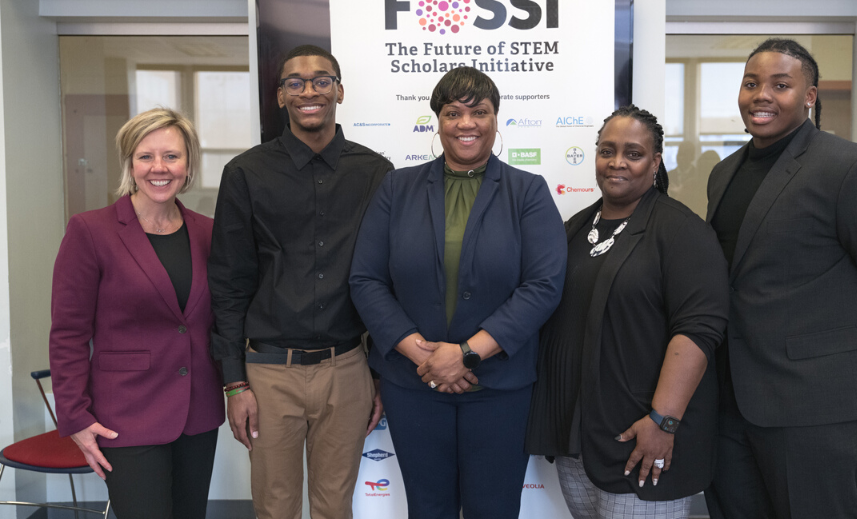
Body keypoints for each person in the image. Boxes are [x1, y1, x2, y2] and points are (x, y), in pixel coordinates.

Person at [703, 38, 857, 519]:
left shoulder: (850, 166)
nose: (761, 94)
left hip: (815, 399)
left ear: (809, 96)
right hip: (731, 397)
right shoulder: (723, 173)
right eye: (751, 83)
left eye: (780, 84)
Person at [349, 66, 566, 519]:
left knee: (494, 508)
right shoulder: (397, 188)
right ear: (438, 120)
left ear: (495, 118)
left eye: (479, 112)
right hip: (414, 384)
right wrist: (424, 357)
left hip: (500, 387)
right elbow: (366, 280)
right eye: (453, 112)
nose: (466, 123)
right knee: (428, 509)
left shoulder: (528, 192)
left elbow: (543, 286)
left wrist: (466, 354)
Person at [209, 44, 391, 519]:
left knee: (336, 507)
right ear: (280, 96)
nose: (309, 90)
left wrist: (379, 375)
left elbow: (387, 281)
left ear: (340, 90)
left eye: (321, 80)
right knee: (275, 509)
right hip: (268, 373)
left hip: (347, 369)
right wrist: (234, 383)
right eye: (296, 82)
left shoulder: (376, 173)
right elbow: (228, 283)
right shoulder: (245, 174)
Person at [525, 105, 730, 519]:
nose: (617, 162)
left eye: (633, 153)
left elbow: (699, 330)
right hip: (580, 444)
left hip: (645, 442)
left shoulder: (682, 232)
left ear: (655, 162)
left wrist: (663, 422)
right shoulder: (575, 228)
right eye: (607, 150)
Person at [49, 108, 223, 519]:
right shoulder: (91, 231)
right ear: (130, 163)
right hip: (125, 416)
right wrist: (74, 415)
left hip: (197, 413)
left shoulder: (208, 232)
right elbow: (68, 333)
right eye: (146, 156)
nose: (159, 168)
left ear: (189, 164)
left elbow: (216, 321)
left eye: (172, 156)